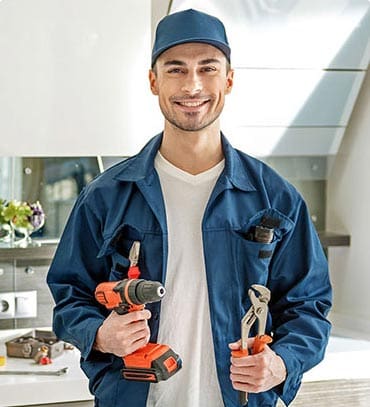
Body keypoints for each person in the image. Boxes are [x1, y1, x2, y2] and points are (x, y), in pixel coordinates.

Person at [47, 8, 332, 407]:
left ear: (228, 79)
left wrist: (282, 363)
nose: (193, 85)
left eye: (208, 68)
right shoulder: (105, 196)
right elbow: (69, 294)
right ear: (154, 81)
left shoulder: (275, 199)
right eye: (176, 69)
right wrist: (99, 333)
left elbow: (309, 305)